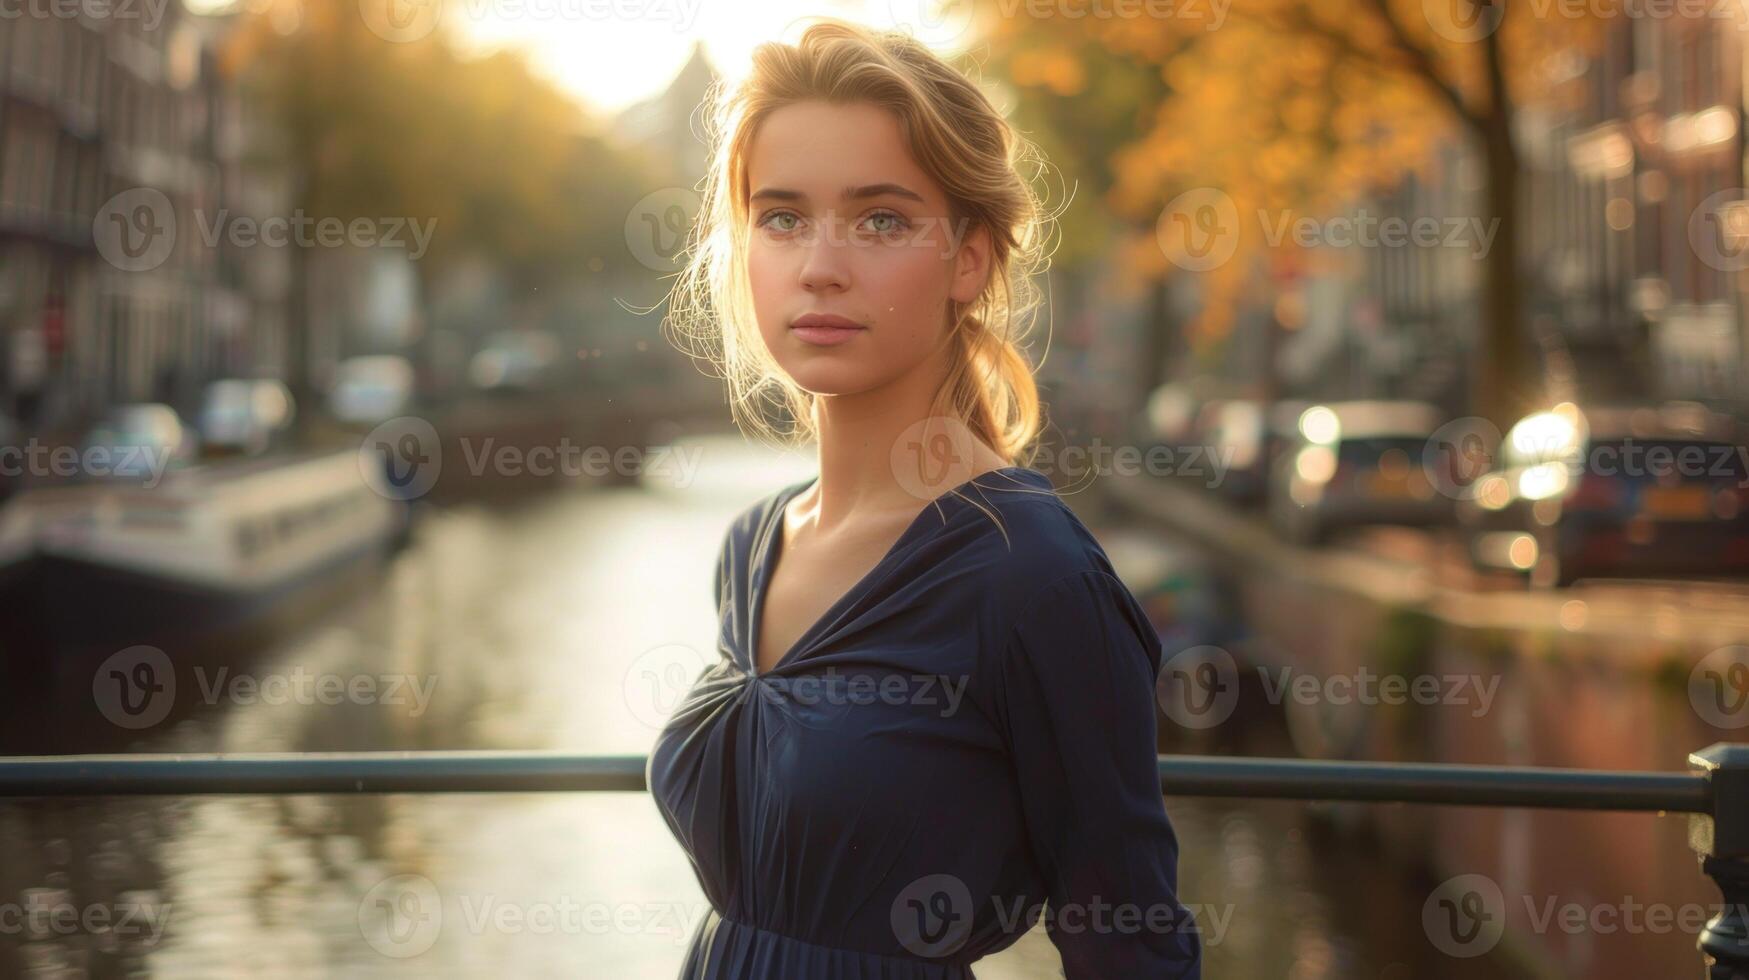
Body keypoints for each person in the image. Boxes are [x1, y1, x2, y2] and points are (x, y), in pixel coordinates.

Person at [649, 20, 1203, 979]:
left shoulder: (1032, 577)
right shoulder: (752, 545)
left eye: (880, 220)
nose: (820, 263)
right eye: (781, 217)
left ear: (970, 260)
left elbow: (1130, 942)